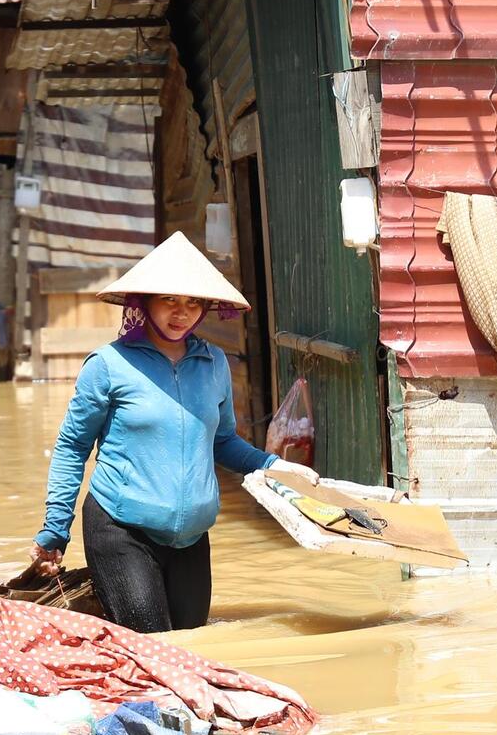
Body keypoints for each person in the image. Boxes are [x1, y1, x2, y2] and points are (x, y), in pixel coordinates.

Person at [29, 232, 317, 633]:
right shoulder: (108, 364)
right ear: (144, 301)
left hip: (190, 538)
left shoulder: (213, 362)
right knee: (158, 647)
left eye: (192, 302)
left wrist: (275, 468)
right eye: (169, 300)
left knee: (194, 644)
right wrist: (55, 528)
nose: (181, 313)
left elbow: (223, 442)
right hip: (121, 528)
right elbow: (73, 446)